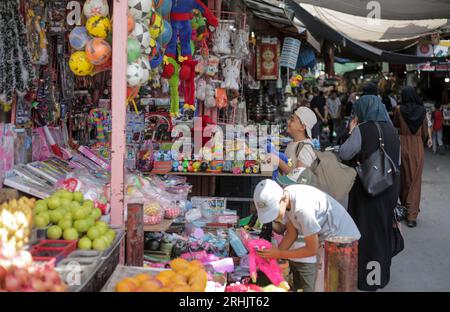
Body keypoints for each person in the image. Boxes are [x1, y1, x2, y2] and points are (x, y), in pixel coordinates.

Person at [339, 94, 400, 291]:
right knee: (381, 230)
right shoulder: (392, 130)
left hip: (367, 189)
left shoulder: (363, 129)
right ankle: (379, 277)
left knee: (364, 230)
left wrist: (351, 131)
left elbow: (344, 153)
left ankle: (365, 278)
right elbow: (397, 161)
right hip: (389, 187)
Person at [252, 179, 361, 291]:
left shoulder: (303, 209)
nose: (274, 217)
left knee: (335, 286)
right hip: (327, 240)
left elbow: (311, 250)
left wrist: (279, 253)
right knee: (323, 286)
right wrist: (274, 257)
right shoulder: (287, 195)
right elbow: (291, 233)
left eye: (273, 212)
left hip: (343, 241)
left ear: (283, 200)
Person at [393, 86, 433, 228]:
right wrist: (426, 138)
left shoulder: (398, 109)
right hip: (417, 147)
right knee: (415, 181)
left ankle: (405, 208)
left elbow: (396, 124)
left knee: (404, 179)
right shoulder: (422, 111)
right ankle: (412, 215)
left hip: (402, 146)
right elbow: (424, 132)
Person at [270, 107, 317, 175]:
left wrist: (278, 161)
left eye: (292, 120)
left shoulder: (305, 148)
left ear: (302, 127)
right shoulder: (293, 143)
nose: (288, 121)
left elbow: (298, 176)